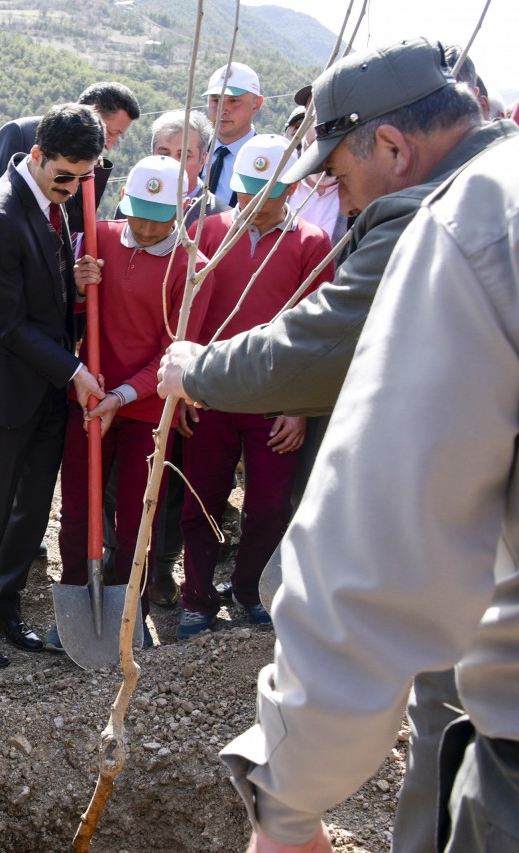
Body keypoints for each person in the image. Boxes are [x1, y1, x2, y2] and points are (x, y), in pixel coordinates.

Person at [157, 38, 517, 852]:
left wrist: (285, 798)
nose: (329, 187)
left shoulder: (461, 220)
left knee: (447, 701)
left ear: (393, 147)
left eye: (337, 168)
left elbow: (383, 542)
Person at [0, 104, 105, 670]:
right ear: (36, 156)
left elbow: (47, 288)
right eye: (64, 175)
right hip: (10, 387)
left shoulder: (52, 201)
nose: (73, 187)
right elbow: (7, 322)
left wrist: (77, 282)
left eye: (83, 177)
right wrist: (73, 370)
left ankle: (5, 603)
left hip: (49, 383)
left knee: (33, 504)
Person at [49, 154, 211, 652]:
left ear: (181, 210)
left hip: (146, 406)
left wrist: (124, 394)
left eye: (157, 217)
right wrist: (76, 289)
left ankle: (128, 611)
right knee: (78, 507)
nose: (143, 226)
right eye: (137, 212)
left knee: (139, 512)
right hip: (89, 396)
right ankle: (77, 599)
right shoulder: (95, 241)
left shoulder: (192, 268)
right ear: (125, 202)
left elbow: (175, 349)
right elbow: (67, 317)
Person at [177, 134, 333, 639]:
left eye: (265, 196)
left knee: (268, 503)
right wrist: (182, 386)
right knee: (201, 496)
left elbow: (319, 333)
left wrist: (300, 406)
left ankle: (250, 591)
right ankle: (196, 599)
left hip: (275, 395)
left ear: (289, 190)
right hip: (210, 390)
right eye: (245, 193)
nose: (252, 206)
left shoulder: (311, 243)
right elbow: (186, 320)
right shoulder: (205, 233)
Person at [0, 81, 140, 230]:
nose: (109, 145)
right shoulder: (19, 132)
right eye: (110, 132)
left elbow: (77, 221)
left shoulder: (91, 158)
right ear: (92, 111)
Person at [202, 61, 265, 207]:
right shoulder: (191, 152)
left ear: (256, 104)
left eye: (234, 101)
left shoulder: (266, 161)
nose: (222, 109)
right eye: (216, 100)